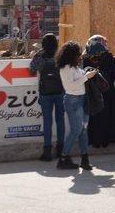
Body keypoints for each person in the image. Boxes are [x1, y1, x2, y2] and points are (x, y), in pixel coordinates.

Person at [56, 41, 97, 170]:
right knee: (76, 131)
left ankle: (84, 159)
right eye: (78, 53)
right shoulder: (66, 68)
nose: (80, 56)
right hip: (73, 100)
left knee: (83, 130)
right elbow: (71, 86)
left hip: (82, 99)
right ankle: (63, 158)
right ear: (72, 55)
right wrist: (87, 77)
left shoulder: (74, 66)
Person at [29, 33, 64, 162]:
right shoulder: (60, 55)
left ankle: (47, 151)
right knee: (60, 121)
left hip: (45, 93)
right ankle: (61, 150)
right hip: (60, 91)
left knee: (47, 122)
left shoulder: (39, 56)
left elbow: (31, 70)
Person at [83, 35, 115, 148]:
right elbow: (114, 73)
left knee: (95, 114)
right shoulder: (108, 56)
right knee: (107, 113)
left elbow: (85, 73)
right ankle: (107, 139)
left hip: (92, 90)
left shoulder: (86, 57)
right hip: (107, 89)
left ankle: (95, 140)